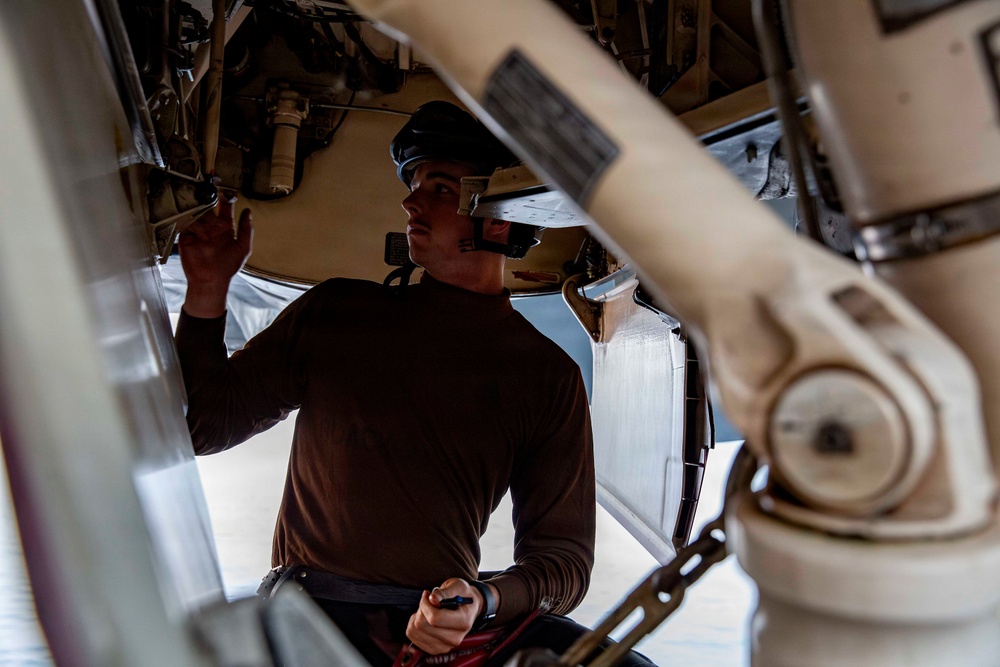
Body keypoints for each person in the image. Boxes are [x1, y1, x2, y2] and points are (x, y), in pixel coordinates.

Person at [174, 101, 645, 667]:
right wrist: (205, 292)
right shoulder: (338, 312)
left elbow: (563, 563)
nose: (410, 201)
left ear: (497, 219)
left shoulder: (547, 376)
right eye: (416, 184)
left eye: (441, 189)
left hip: (433, 639)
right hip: (306, 620)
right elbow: (202, 428)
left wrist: (484, 600)